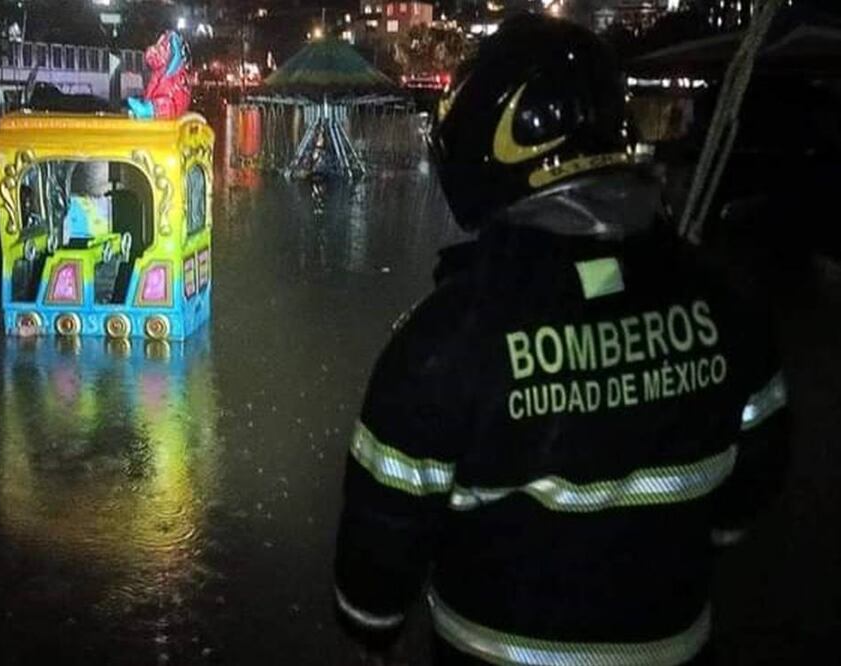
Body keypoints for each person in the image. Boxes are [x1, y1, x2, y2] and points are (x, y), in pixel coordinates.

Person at [333, 15, 790, 666]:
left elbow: (385, 527)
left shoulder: (443, 340)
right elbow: (753, 479)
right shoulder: (727, 300)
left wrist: (369, 627)